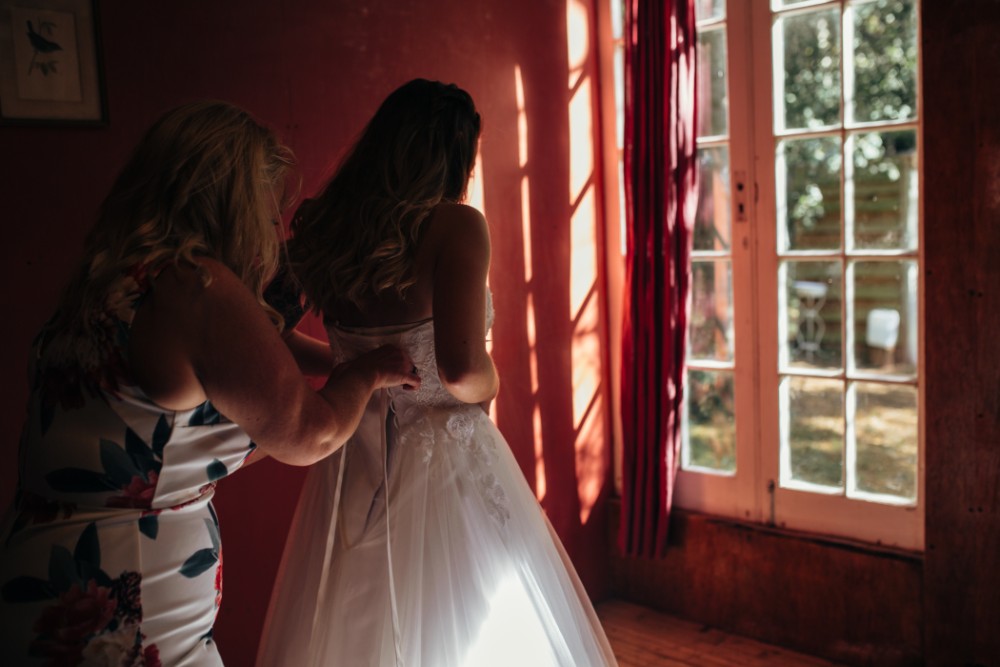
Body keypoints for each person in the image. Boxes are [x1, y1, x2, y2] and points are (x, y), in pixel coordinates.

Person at [0, 101, 420, 666]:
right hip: (123, 604)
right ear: (230, 203)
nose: (272, 230)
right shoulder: (196, 287)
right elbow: (309, 434)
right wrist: (365, 372)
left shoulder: (110, 279)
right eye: (266, 209)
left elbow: (178, 434)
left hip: (41, 576)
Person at [257, 79, 617, 667]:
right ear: (456, 154)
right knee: (470, 624)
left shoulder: (322, 223)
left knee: (357, 613)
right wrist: (494, 383)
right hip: (439, 457)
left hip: (353, 458)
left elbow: (271, 331)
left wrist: (356, 370)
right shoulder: (456, 226)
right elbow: (459, 369)